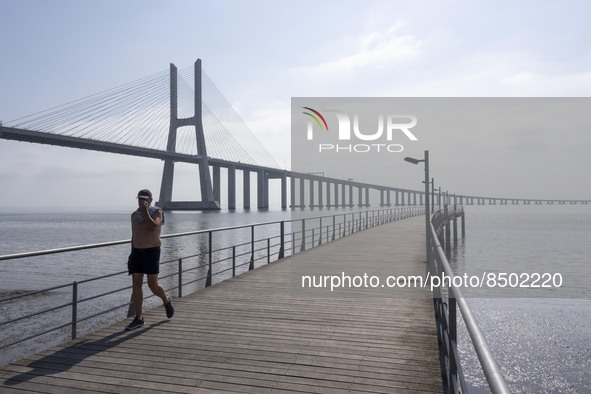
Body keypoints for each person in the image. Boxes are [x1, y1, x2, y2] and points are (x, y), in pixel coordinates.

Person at [125, 189, 174, 330]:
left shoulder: (157, 212)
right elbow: (134, 234)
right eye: (139, 198)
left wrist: (145, 210)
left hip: (151, 252)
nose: (141, 201)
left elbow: (153, 226)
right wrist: (131, 253)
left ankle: (166, 301)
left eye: (144, 199)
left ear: (151, 199)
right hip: (136, 253)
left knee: (153, 285)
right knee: (136, 284)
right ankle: (139, 318)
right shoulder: (134, 215)